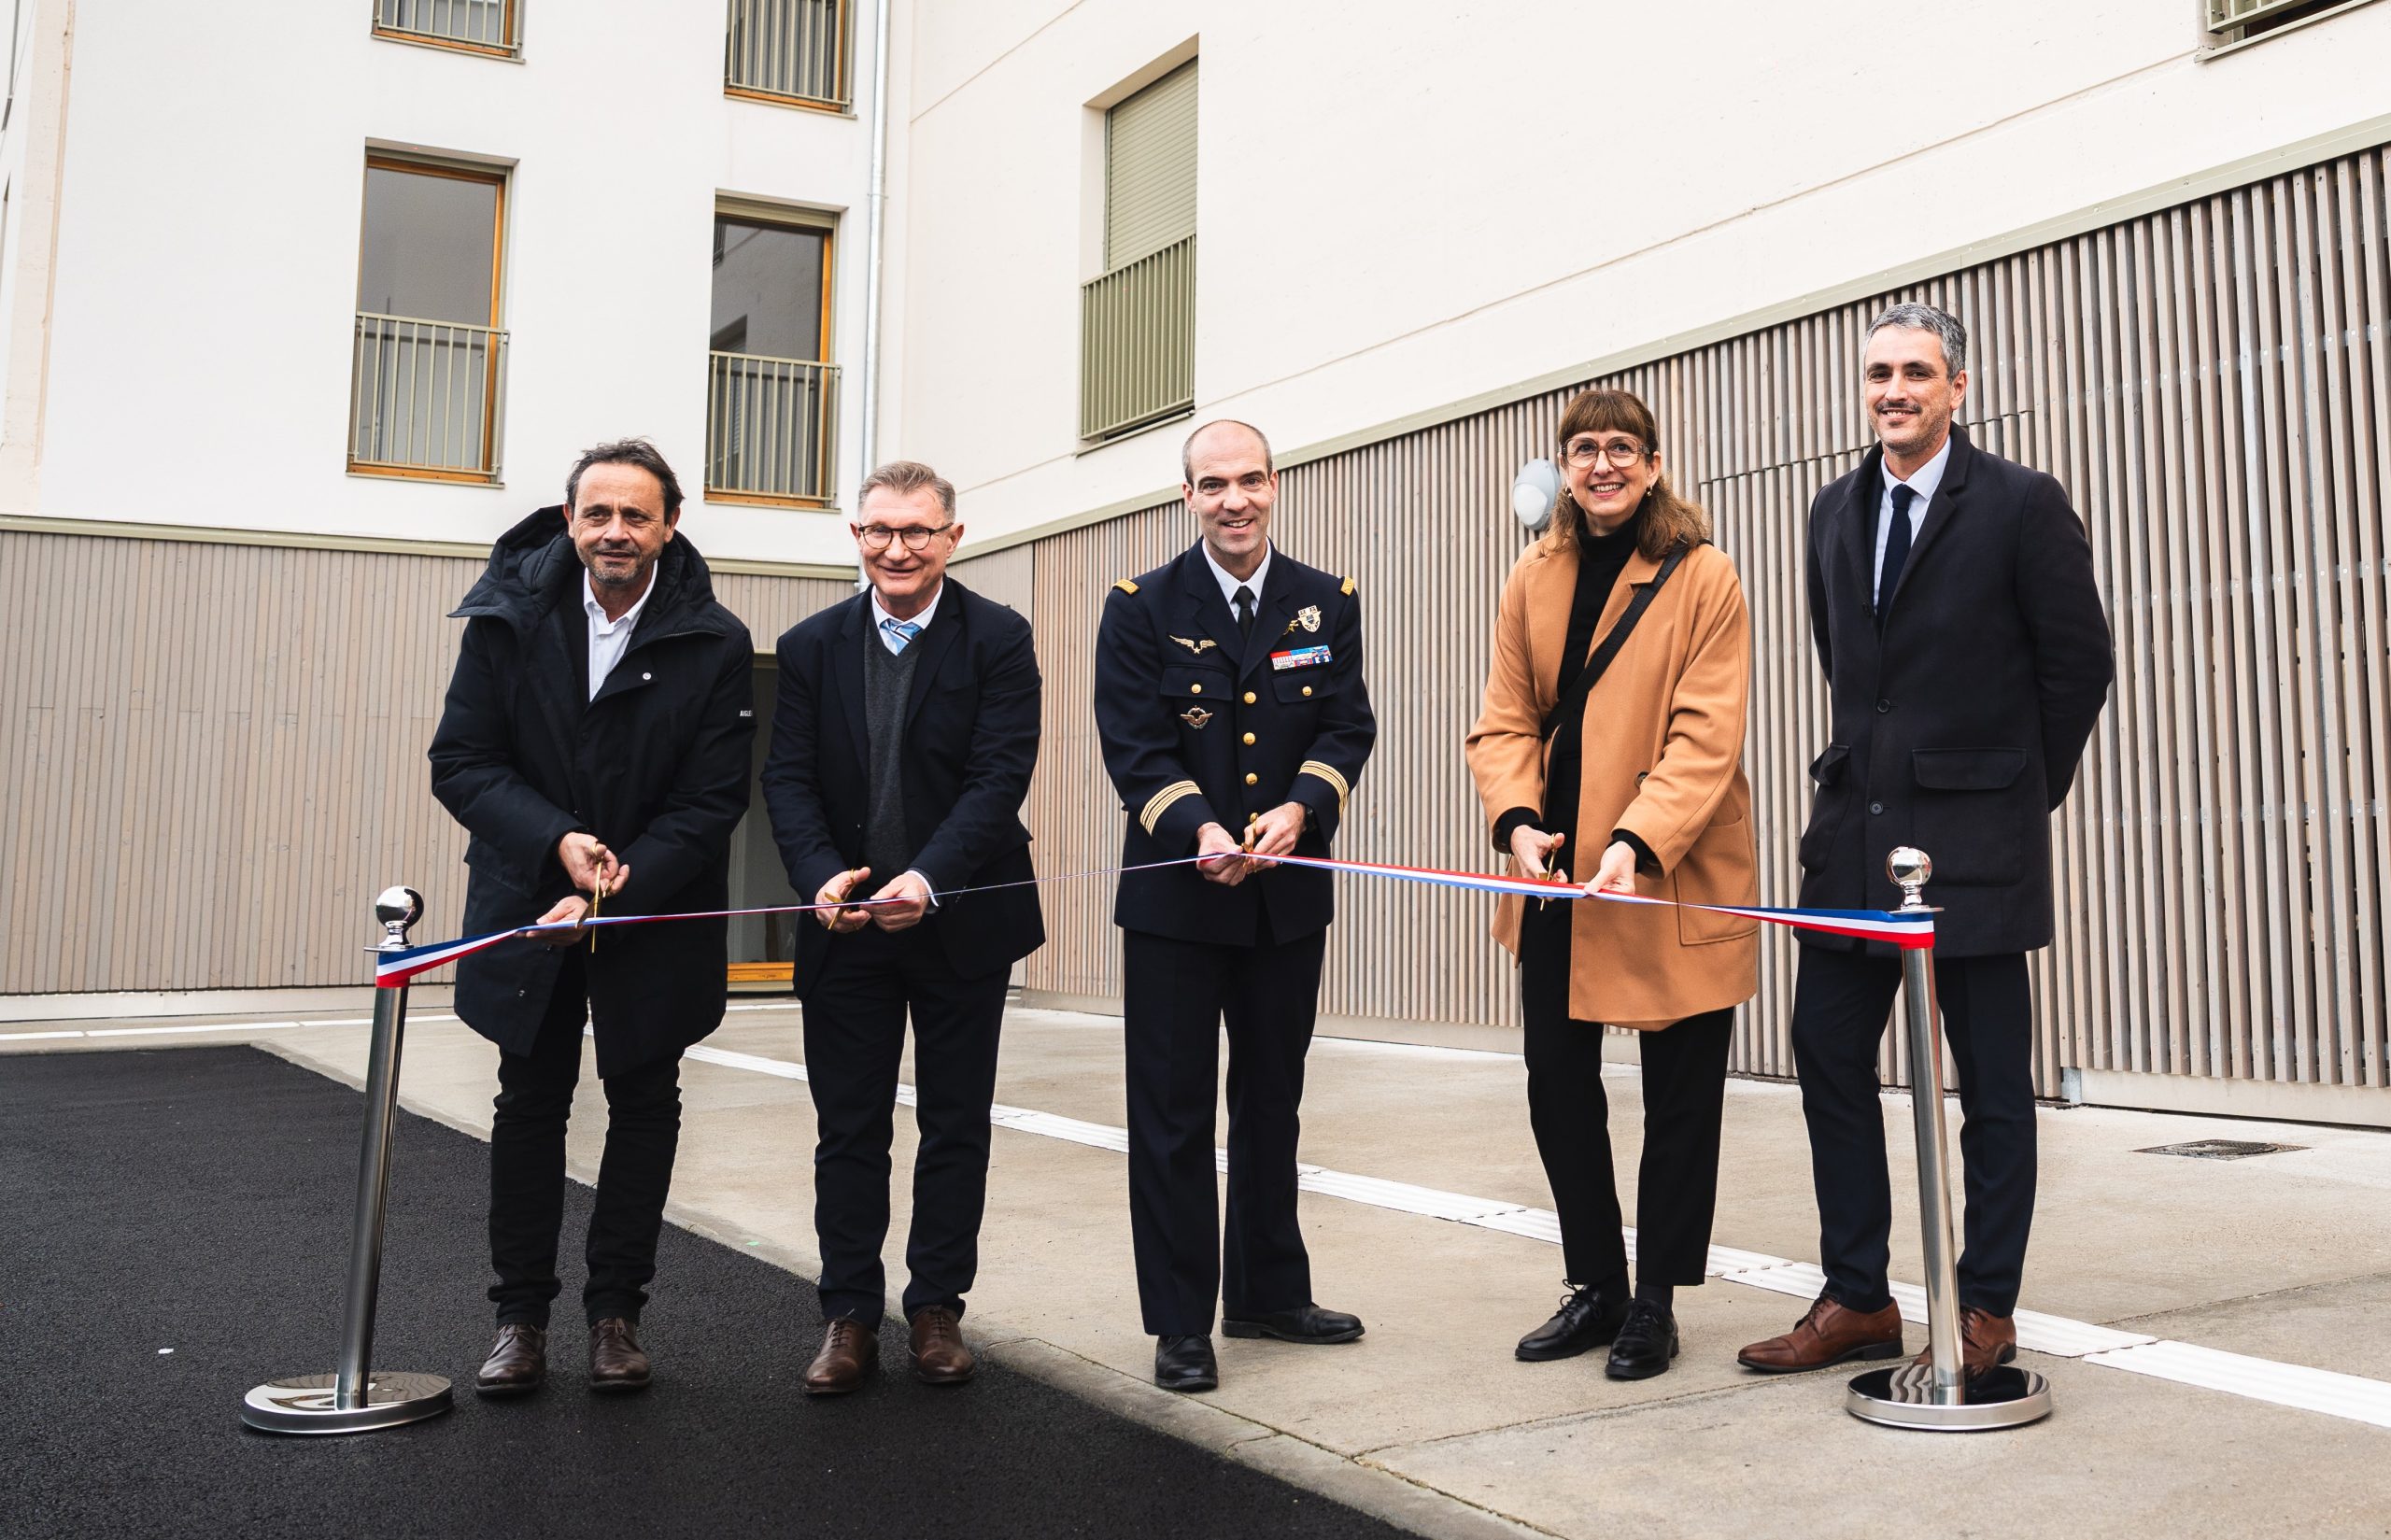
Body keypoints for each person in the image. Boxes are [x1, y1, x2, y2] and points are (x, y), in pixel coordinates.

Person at [1738, 303, 2113, 1378]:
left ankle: (1985, 1301)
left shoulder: (2020, 505)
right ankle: (1856, 1294)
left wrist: (2009, 794)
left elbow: (2077, 667)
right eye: (1876, 373)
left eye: (1914, 371)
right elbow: (1856, 676)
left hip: (1974, 848)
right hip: (1854, 841)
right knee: (1825, 1053)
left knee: (1991, 1082)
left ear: (1957, 386)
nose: (1892, 389)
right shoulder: (1829, 511)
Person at [429, 438, 756, 1396]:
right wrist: (559, 845)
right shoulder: (505, 618)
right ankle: (518, 1318)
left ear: (670, 524)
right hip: (529, 900)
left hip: (653, 909)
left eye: (636, 514)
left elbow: (711, 800)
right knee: (528, 1104)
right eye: (598, 513)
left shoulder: (717, 639)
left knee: (645, 1103)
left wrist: (617, 883)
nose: (616, 531)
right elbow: (462, 760)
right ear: (571, 519)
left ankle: (616, 1312)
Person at [1464, 388, 1760, 1381]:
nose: (1602, 464)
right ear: (1564, 464)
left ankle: (1656, 1298)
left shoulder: (1705, 575)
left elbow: (1705, 733)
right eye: (1584, 448)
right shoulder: (1531, 574)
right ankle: (1593, 1280)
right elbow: (1503, 719)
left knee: (1680, 1094)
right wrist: (1513, 818)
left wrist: (1638, 836)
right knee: (1557, 1082)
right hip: (1557, 874)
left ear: (1654, 461)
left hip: (1666, 870)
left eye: (1621, 448)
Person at [1093, 419, 1377, 1393]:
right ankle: (1181, 1320)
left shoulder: (1323, 600)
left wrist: (1302, 808)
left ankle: (1266, 1290)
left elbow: (1346, 725)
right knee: (1171, 1116)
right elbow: (1134, 747)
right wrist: (1200, 832)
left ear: (1274, 484)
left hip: (1283, 901)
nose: (1234, 499)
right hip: (1178, 901)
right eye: (1212, 483)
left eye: (1249, 479)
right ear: (1187, 497)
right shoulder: (1139, 606)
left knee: (1272, 1101)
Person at [761, 459, 1044, 1395]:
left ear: (952, 537)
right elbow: (789, 780)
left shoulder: (999, 639)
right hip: (845, 928)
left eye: (917, 531)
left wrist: (929, 877)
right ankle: (848, 1314)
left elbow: (998, 778)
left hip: (961, 921)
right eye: (879, 530)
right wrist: (815, 879)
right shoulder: (808, 647)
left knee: (955, 1123)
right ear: (856, 537)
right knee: (849, 1128)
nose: (897, 548)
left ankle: (935, 1308)